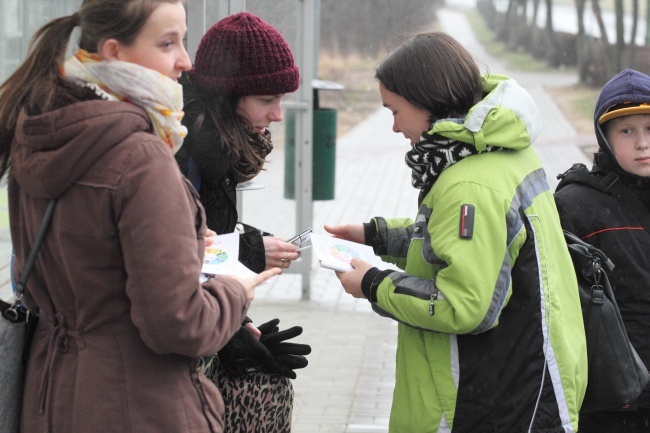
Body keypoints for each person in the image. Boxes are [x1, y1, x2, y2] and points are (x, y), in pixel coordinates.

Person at [0, 1, 280, 432]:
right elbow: (178, 324)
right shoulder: (142, 157)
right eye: (168, 43)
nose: (185, 61)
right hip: (138, 405)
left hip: (49, 396)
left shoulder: (39, 135)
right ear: (114, 51)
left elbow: (36, 281)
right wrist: (235, 289)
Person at [324, 32, 588, 432]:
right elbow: (464, 246)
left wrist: (374, 284)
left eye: (394, 111)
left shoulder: (469, 185)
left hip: (491, 402)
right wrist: (374, 235)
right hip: (528, 380)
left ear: (427, 99)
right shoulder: (497, 151)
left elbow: (464, 305)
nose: (394, 127)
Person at [174, 12, 310, 432]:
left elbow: (208, 231)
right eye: (267, 100)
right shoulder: (183, 150)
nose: (278, 116)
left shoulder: (213, 143)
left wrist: (240, 329)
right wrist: (251, 249)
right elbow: (179, 254)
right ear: (227, 97)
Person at [555, 68, 650, 432]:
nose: (642, 142)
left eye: (649, 128)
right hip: (612, 404)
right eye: (627, 130)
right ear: (604, 137)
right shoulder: (574, 206)